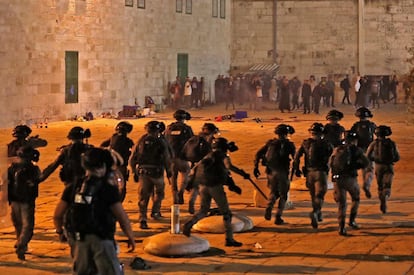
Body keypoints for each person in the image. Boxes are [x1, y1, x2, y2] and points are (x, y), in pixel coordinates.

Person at [54, 147, 135, 275]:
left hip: (79, 240)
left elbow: (58, 215)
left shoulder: (73, 186)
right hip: (102, 240)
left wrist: (60, 232)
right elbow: (121, 216)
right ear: (103, 165)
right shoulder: (107, 188)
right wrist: (130, 236)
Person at [182, 137, 243, 247]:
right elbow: (228, 167)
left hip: (202, 186)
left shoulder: (207, 156)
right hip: (215, 186)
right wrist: (242, 174)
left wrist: (190, 184)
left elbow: (195, 169)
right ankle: (229, 238)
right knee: (226, 213)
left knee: (203, 210)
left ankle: (189, 223)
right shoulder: (223, 156)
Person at [130, 121, 172, 229]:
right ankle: (155, 211)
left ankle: (142, 218)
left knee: (143, 197)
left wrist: (134, 172)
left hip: (143, 172)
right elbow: (167, 158)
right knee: (159, 193)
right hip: (157, 173)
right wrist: (169, 172)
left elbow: (132, 158)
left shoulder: (141, 141)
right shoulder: (161, 142)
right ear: (158, 130)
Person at [293, 123, 333, 229]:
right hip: (321, 173)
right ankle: (315, 212)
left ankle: (318, 213)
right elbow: (332, 158)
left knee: (313, 195)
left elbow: (296, 157)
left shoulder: (305, 143)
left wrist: (296, 169)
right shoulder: (326, 143)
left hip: (309, 173)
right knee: (320, 195)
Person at [253, 124, 296, 225]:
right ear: (286, 134)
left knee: (273, 192)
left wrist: (256, 167)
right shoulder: (289, 144)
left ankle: (269, 206)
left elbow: (258, 154)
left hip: (270, 172)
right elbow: (295, 158)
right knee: (283, 195)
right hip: (282, 172)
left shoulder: (270, 143)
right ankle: (278, 216)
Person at [329, 131, 370, 236]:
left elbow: (330, 163)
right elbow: (366, 163)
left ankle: (341, 227)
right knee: (355, 199)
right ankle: (352, 221)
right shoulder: (357, 150)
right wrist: (356, 166)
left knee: (342, 205)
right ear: (354, 140)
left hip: (338, 180)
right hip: (350, 179)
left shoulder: (337, 150)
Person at [7, 146, 42, 260]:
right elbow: (39, 178)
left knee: (18, 224)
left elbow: (7, 183)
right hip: (27, 201)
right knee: (28, 226)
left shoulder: (12, 168)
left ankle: (21, 242)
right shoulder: (33, 169)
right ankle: (22, 244)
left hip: (14, 200)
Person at [183, 123, 219, 214]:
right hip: (205, 166)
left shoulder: (194, 138)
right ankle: (206, 206)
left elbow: (185, 151)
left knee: (195, 186)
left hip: (194, 165)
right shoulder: (210, 139)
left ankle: (191, 202)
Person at [366, 125, 400, 214]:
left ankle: (382, 200)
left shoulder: (374, 143)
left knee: (380, 186)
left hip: (378, 166)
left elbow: (368, 156)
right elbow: (397, 157)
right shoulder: (392, 143)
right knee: (387, 184)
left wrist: (374, 159)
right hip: (389, 166)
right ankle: (386, 196)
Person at [165, 109, 194, 204]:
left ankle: (175, 197)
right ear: (184, 118)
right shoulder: (187, 129)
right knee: (186, 175)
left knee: (173, 178)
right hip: (182, 157)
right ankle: (181, 192)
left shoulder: (169, 128)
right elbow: (192, 142)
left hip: (171, 158)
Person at [100, 121, 134, 202]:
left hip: (110, 166)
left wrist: (108, 151)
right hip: (121, 167)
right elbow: (134, 151)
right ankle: (117, 205)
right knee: (121, 187)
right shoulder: (128, 141)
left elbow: (102, 145)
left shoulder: (113, 137)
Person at [350, 107, 377, 199]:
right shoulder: (372, 125)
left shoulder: (356, 125)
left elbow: (351, 137)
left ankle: (364, 184)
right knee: (370, 169)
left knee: (363, 169)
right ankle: (367, 184)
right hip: (370, 149)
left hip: (359, 150)